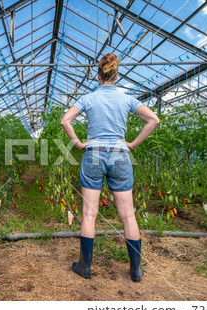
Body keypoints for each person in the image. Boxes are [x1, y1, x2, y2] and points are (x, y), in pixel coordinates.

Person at [60, 53, 160, 282]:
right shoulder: (127, 99)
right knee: (127, 215)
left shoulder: (88, 98)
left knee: (88, 214)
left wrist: (79, 143)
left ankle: (85, 267)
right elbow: (153, 120)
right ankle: (136, 271)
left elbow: (65, 120)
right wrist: (133, 144)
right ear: (117, 75)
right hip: (120, 155)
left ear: (98, 75)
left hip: (93, 154)